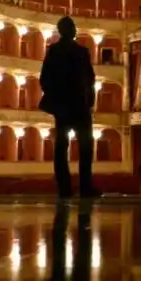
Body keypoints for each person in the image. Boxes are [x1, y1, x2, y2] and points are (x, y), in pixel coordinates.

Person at [39, 16, 101, 198]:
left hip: (74, 105)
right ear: (64, 30)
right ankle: (75, 188)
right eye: (71, 26)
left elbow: (90, 78)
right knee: (72, 146)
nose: (74, 29)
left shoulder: (76, 51)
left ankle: (74, 188)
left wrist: (90, 99)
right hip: (72, 104)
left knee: (76, 147)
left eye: (73, 26)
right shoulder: (61, 52)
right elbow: (45, 79)